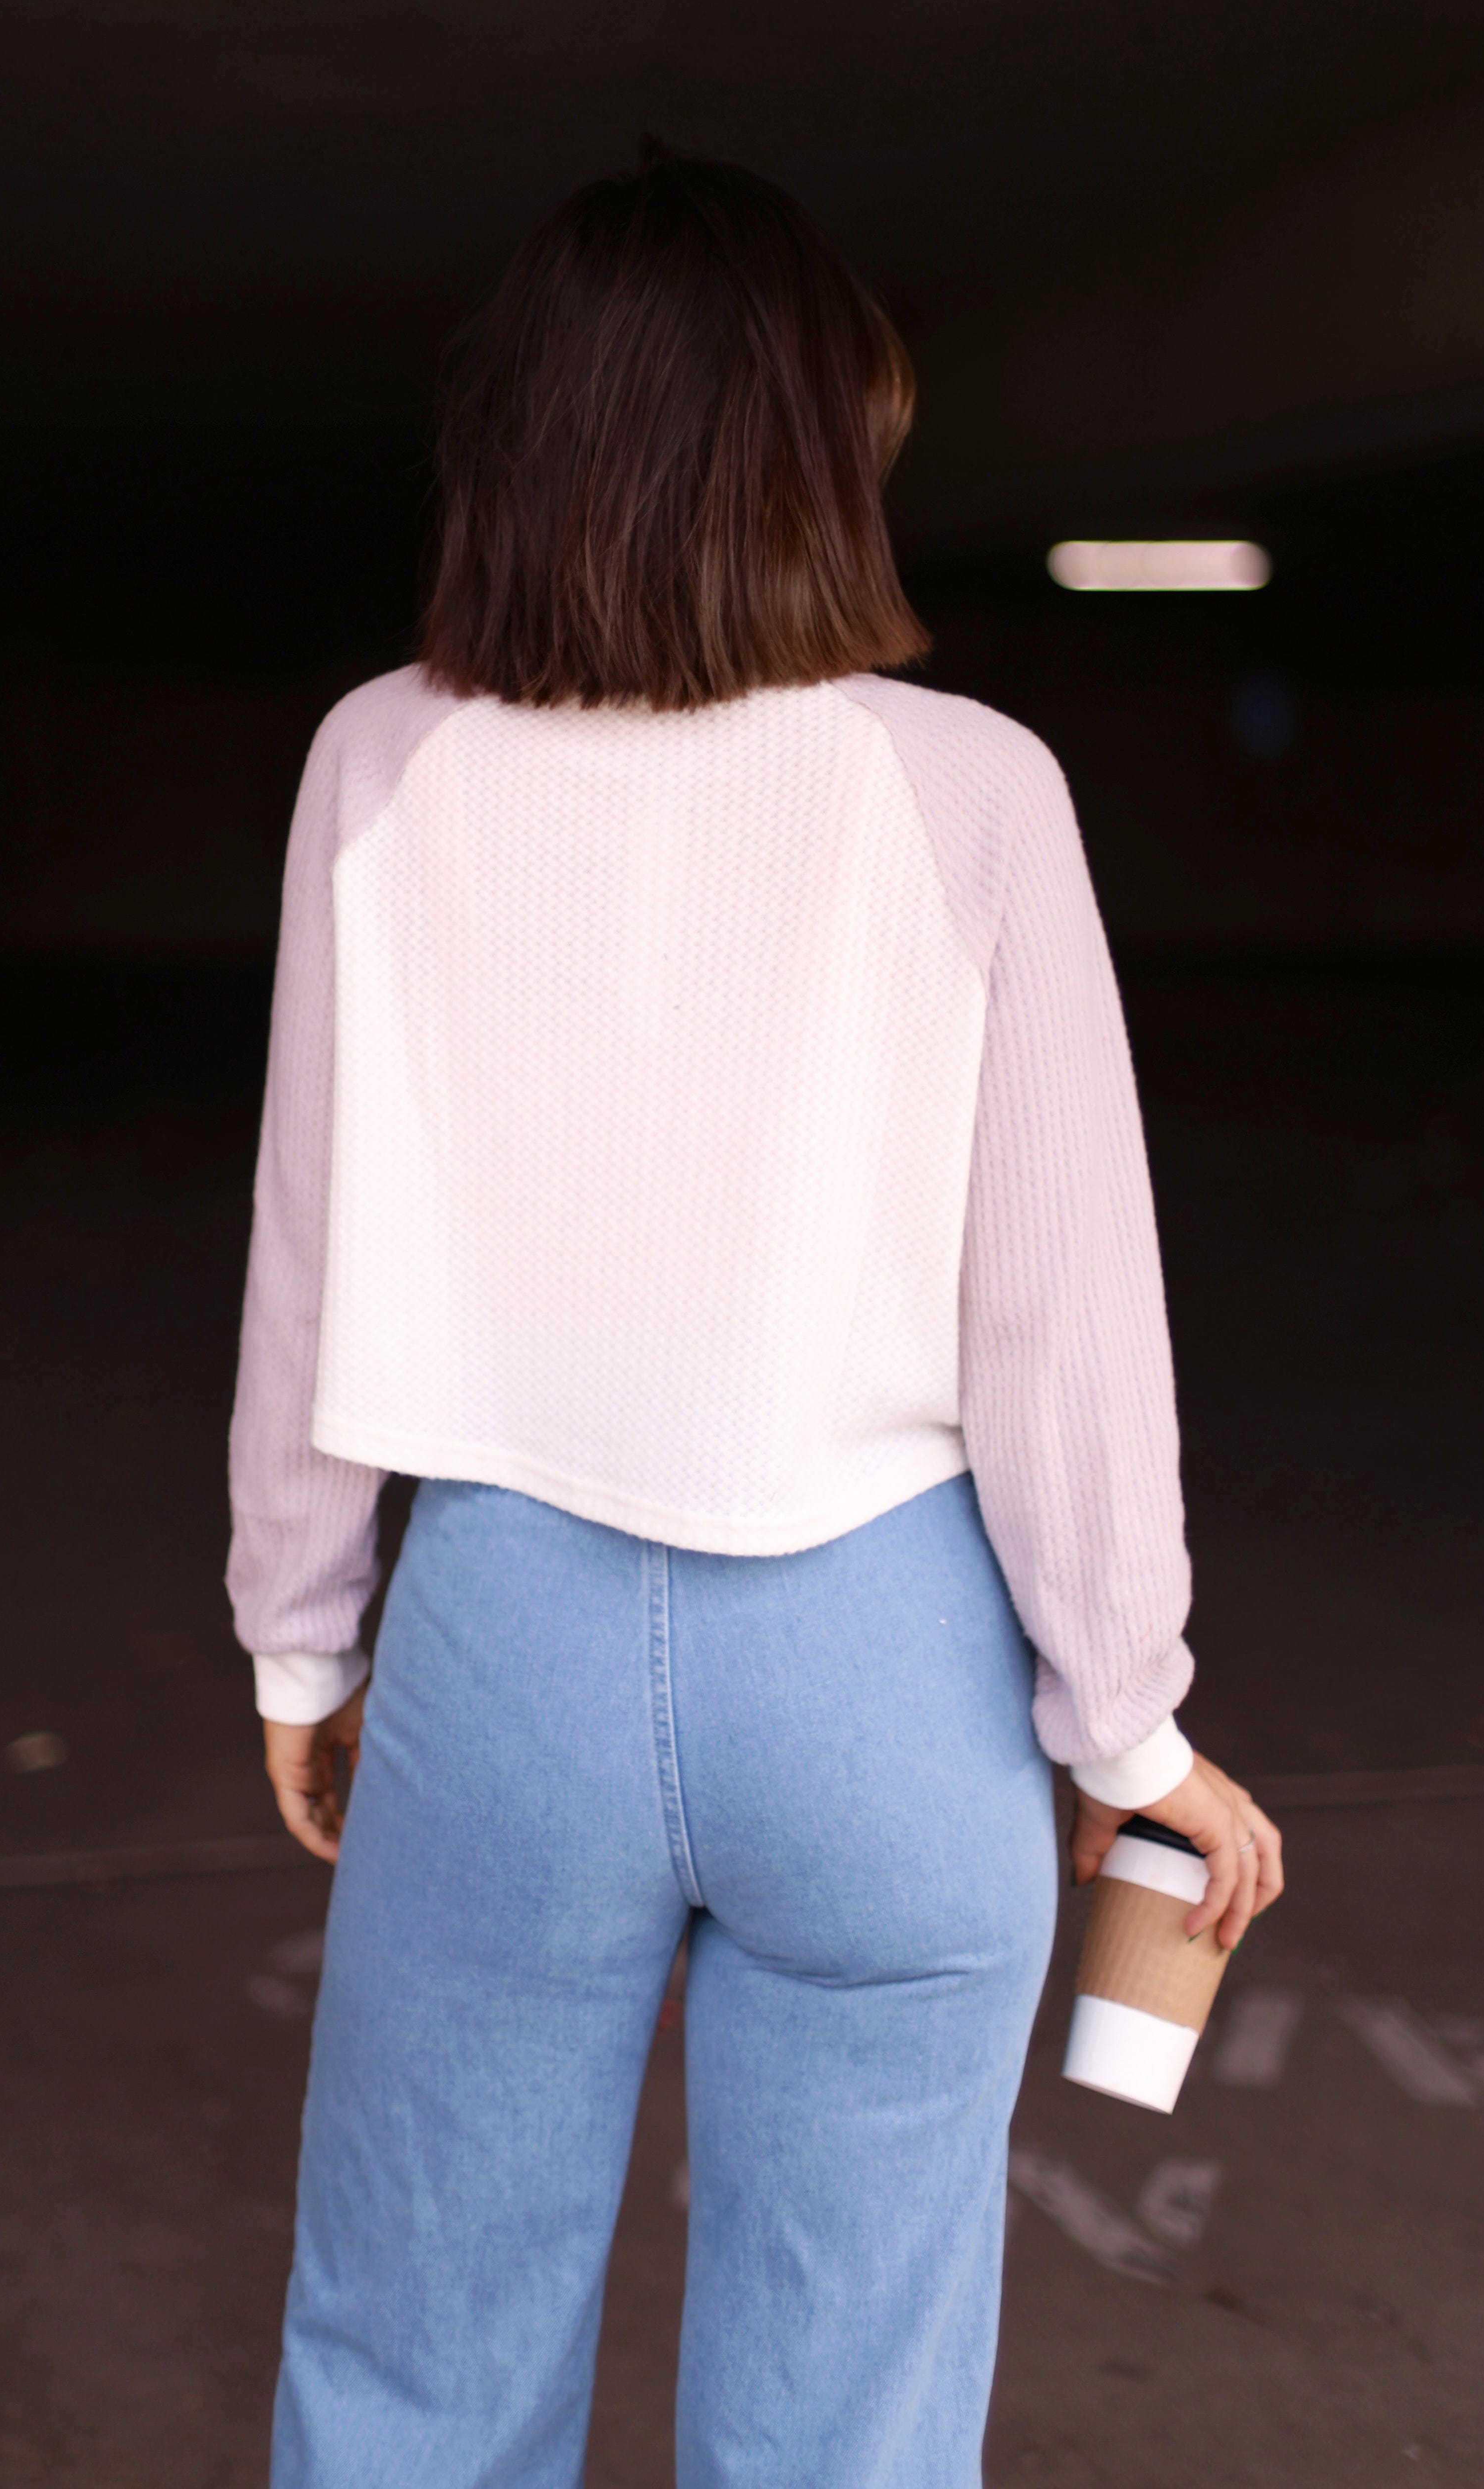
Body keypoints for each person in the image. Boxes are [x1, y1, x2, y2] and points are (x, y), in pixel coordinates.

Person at [225, 142, 1285, 2489]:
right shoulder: (973, 789)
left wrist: (302, 1642)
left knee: (411, 2351)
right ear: (823, 453)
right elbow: (1062, 1308)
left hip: (501, 1639)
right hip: (889, 1667)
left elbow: (315, 1233)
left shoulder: (378, 761)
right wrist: (1129, 1723)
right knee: (851, 2411)